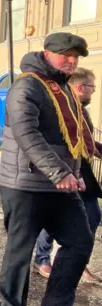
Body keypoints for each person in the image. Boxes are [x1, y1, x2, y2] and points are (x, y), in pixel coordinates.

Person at [0, 32, 93, 306]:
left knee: (80, 240)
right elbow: (28, 134)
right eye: (65, 54)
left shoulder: (64, 90)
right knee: (20, 249)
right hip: (24, 183)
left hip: (60, 183)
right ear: (47, 53)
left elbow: (71, 137)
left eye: (75, 56)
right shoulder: (26, 85)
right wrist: (60, 172)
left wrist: (76, 169)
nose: (71, 60)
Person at [33, 66, 102, 284]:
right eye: (92, 87)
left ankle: (78, 264)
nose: (93, 91)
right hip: (64, 169)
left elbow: (86, 141)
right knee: (56, 217)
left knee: (91, 215)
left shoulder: (81, 110)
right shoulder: (62, 108)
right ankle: (42, 258)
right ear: (82, 87)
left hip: (83, 169)